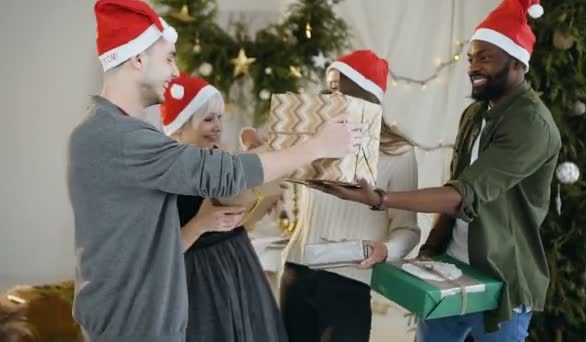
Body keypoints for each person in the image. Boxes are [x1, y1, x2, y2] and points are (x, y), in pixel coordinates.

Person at [67, 1, 360, 341]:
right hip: (135, 325)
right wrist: (316, 146)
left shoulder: (105, 130)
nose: (175, 72)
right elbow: (221, 174)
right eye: (168, 58)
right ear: (137, 59)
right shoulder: (121, 137)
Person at [308, 1, 562, 341]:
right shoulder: (475, 115)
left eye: (485, 57)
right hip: (451, 273)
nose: (473, 66)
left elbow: (462, 195)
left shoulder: (532, 125)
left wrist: (380, 198)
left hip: (501, 283)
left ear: (517, 60)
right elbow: (454, 184)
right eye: (471, 58)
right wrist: (430, 249)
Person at [279, 50, 421, 342]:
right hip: (297, 274)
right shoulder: (313, 137)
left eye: (335, 88)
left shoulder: (399, 152)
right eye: (327, 87)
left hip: (350, 282)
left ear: (363, 94)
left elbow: (407, 228)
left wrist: (386, 250)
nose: (327, 97)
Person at [159, 72, 288, 342]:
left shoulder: (220, 160)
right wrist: (201, 223)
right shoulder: (167, 175)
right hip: (199, 281)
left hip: (239, 265)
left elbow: (243, 213)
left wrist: (263, 198)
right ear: (180, 126)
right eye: (208, 119)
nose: (218, 126)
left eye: (219, 118)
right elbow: (158, 255)